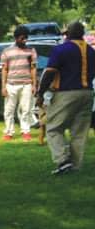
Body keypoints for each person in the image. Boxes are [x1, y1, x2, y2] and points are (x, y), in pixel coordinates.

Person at [37, 21, 95, 174]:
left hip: (66, 93)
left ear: (69, 33)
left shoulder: (61, 50)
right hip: (87, 93)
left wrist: (40, 93)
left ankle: (63, 160)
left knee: (53, 128)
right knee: (79, 131)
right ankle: (75, 166)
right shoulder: (91, 50)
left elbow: (49, 72)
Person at [0, 25, 37, 142]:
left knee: (26, 110)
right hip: (11, 85)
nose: (25, 40)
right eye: (22, 38)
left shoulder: (31, 51)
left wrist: (34, 85)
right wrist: (3, 87)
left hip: (27, 84)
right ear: (16, 38)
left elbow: (33, 68)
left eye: (26, 38)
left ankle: (25, 131)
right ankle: (8, 132)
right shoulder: (7, 51)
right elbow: (4, 69)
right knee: (9, 110)